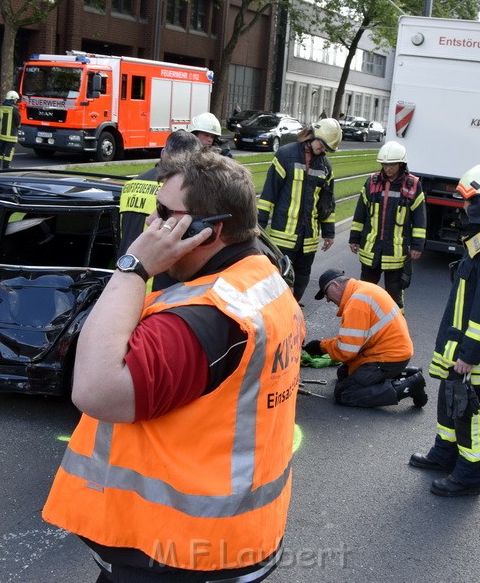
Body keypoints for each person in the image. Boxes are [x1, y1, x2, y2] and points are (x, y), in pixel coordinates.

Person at [43, 150, 304, 582]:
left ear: (209, 230)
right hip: (228, 538)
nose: (151, 225)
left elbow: (95, 390)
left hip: (177, 553)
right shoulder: (259, 278)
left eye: (166, 213)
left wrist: (133, 266)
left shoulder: (207, 316)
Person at [408, 163, 480, 497]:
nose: (464, 207)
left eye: (468, 200)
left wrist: (470, 354)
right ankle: (445, 454)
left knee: (472, 408)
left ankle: (470, 476)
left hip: (477, 351)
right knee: (450, 398)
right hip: (460, 345)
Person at [304, 269, 426, 408]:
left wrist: (321, 347)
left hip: (388, 358)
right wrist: (323, 346)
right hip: (392, 352)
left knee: (344, 392)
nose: (328, 300)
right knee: (344, 373)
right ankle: (407, 374)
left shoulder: (356, 303)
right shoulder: (365, 289)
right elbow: (355, 338)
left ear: (335, 285)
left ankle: (408, 386)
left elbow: (346, 351)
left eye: (326, 294)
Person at [258, 117, 341, 302]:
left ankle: (294, 310)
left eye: (327, 148)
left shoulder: (325, 167)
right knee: (279, 280)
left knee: (302, 278)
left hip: (309, 240)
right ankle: (277, 313)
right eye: (322, 144)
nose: (323, 150)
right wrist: (259, 226)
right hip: (283, 236)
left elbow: (327, 204)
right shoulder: (285, 155)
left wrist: (329, 233)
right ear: (313, 135)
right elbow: (269, 194)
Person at [118, 129, 201, 291]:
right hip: (158, 288)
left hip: (125, 278)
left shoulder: (131, 185)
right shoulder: (181, 192)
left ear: (163, 153)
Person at [349, 141, 426, 307]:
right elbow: (360, 213)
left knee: (394, 298)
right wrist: (354, 238)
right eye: (384, 164)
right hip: (371, 252)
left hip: (396, 254)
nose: (388, 168)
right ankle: (364, 323)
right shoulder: (372, 182)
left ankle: (394, 329)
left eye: (391, 165)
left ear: (401, 164)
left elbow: (419, 219)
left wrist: (417, 246)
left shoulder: (412, 186)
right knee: (365, 293)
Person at [0, 90, 21, 169]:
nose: (16, 100)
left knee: (0, 149)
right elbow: (18, 121)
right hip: (11, 134)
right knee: (9, 150)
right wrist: (18, 126)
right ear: (12, 98)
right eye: (16, 99)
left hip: (3, 133)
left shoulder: (1, 107)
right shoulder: (14, 109)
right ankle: (6, 166)